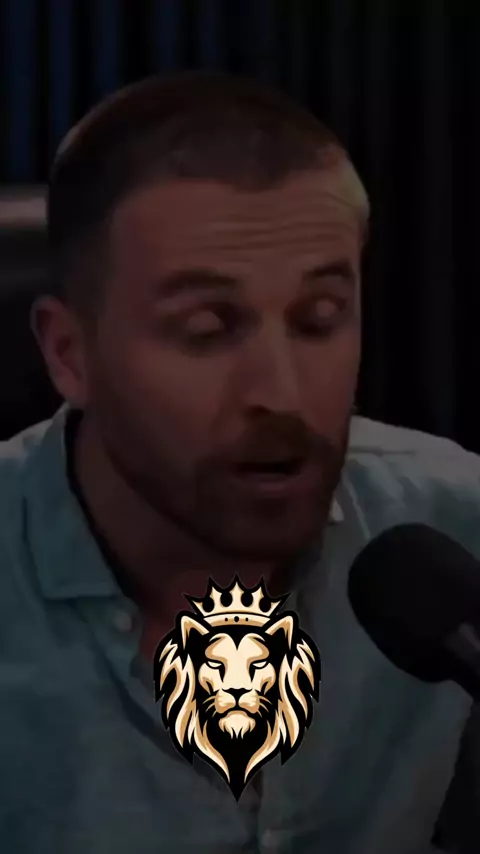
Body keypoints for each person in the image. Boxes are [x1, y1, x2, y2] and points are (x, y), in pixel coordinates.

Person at [0, 71, 478, 854]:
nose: (281, 394)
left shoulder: (451, 529)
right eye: (206, 329)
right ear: (70, 354)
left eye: (319, 319)